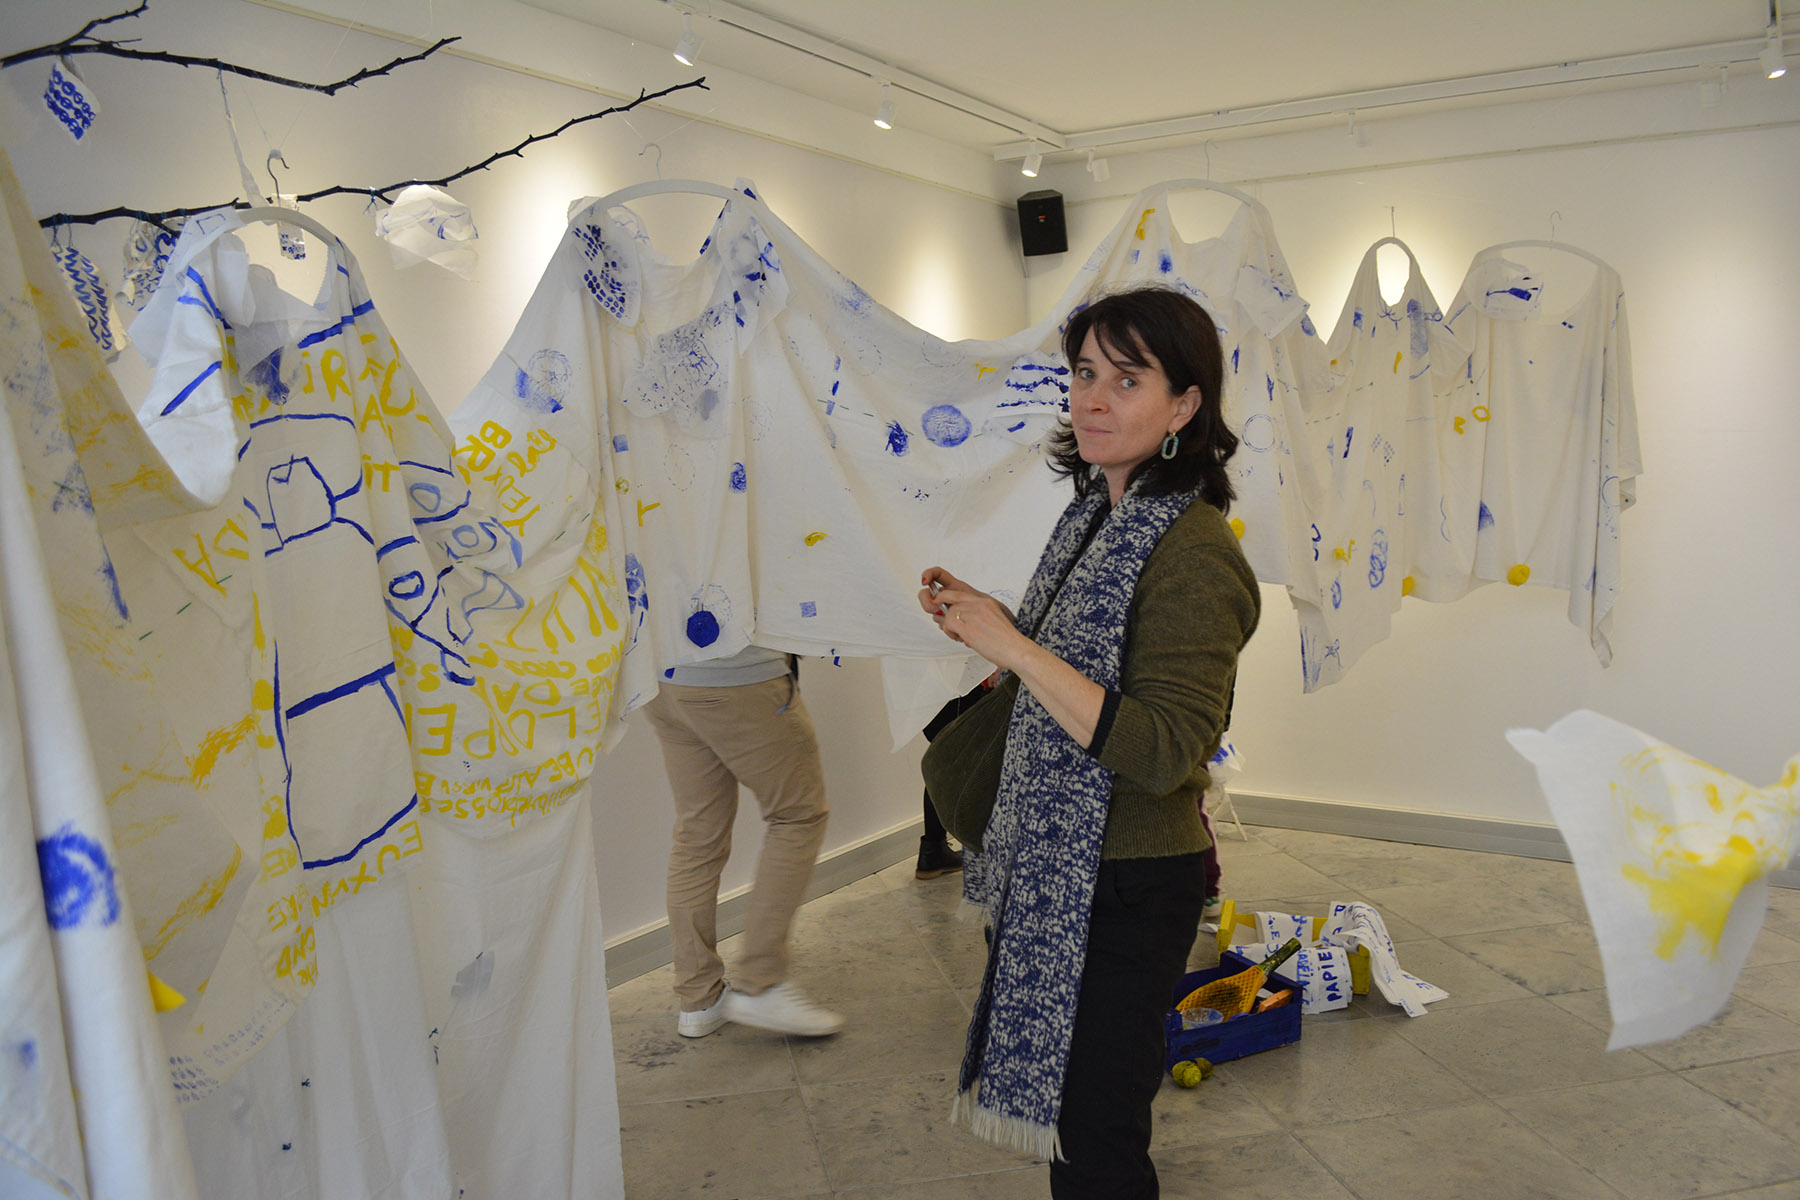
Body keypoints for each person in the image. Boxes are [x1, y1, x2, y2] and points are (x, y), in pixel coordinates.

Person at [918, 287, 1259, 1198]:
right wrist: (993, 621)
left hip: (1129, 881)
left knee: (1097, 1140)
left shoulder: (1193, 551)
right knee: (1075, 1132)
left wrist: (1015, 648)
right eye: (1083, 373)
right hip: (1063, 860)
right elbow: (1075, 669)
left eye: (1127, 379)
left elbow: (1166, 747)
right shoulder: (1096, 517)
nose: (1093, 399)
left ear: (1184, 406)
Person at [641, 645, 845, 1039]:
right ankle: (760, 982)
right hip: (739, 676)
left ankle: (699, 998)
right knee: (798, 816)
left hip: (666, 680)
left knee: (697, 836)